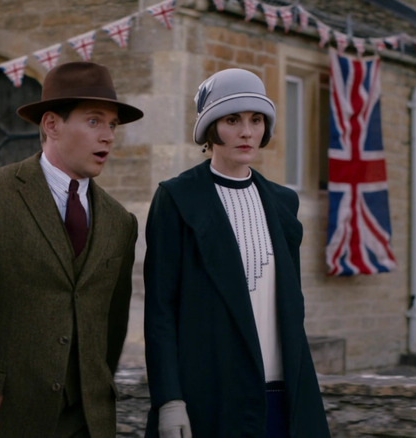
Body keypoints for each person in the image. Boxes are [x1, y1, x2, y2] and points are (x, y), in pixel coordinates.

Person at [0, 61, 143, 438]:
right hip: (1, 419)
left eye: (112, 125)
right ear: (51, 125)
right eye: (93, 121)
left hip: (88, 424)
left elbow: (111, 325)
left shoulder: (121, 223)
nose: (107, 136)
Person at [143, 68, 331, 437]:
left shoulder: (283, 202)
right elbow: (160, 311)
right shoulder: (178, 198)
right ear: (211, 128)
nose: (247, 132)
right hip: (212, 395)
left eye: (256, 120)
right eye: (233, 120)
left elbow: (290, 307)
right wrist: (169, 399)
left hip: (284, 394)